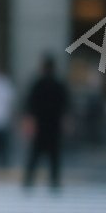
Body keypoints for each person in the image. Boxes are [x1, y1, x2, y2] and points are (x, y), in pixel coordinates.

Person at [21, 52, 70, 192]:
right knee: (54, 155)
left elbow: (29, 106)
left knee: (35, 154)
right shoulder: (58, 84)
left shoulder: (38, 84)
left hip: (40, 125)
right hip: (53, 125)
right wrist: (65, 123)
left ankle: (28, 180)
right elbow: (65, 107)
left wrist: (28, 123)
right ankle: (54, 181)